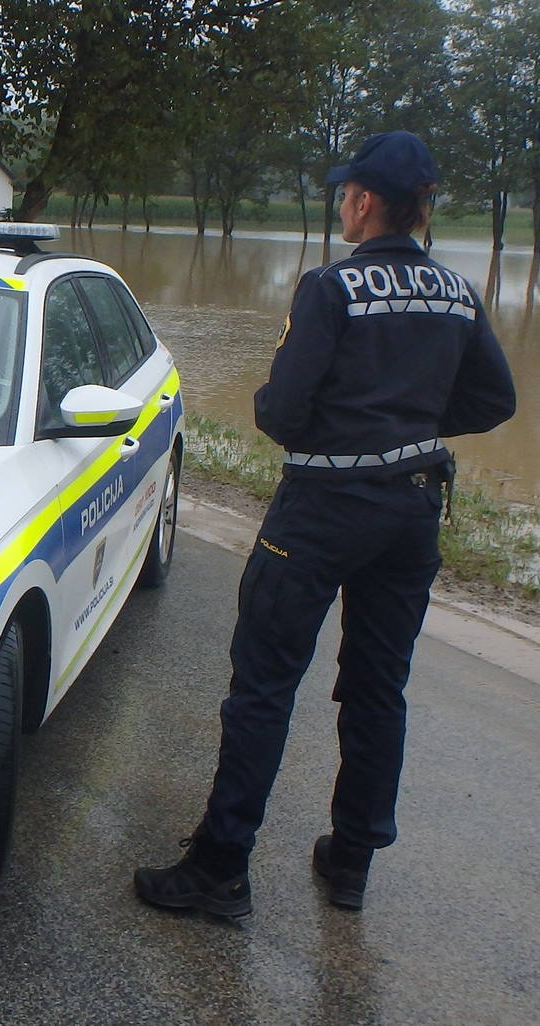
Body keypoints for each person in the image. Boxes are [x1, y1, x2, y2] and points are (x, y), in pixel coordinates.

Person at [134, 131, 516, 918]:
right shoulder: (456, 291)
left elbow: (279, 412)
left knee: (263, 689)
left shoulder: (329, 288)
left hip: (321, 512)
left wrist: (349, 429)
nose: (340, 203)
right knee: (378, 688)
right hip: (412, 510)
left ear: (365, 201)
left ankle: (219, 868)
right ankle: (350, 861)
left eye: (344, 192)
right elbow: (492, 402)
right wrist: (405, 423)